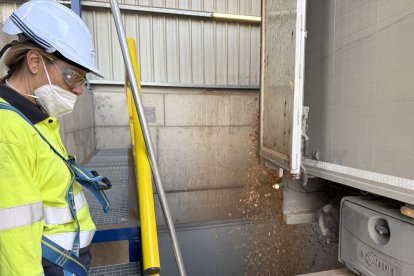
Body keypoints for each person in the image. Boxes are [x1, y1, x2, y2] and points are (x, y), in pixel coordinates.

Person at [0, 1, 106, 275]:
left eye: (82, 80)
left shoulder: (35, 117)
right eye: (72, 76)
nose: (78, 91)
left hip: (65, 261)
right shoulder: (8, 132)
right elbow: (14, 236)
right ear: (35, 61)